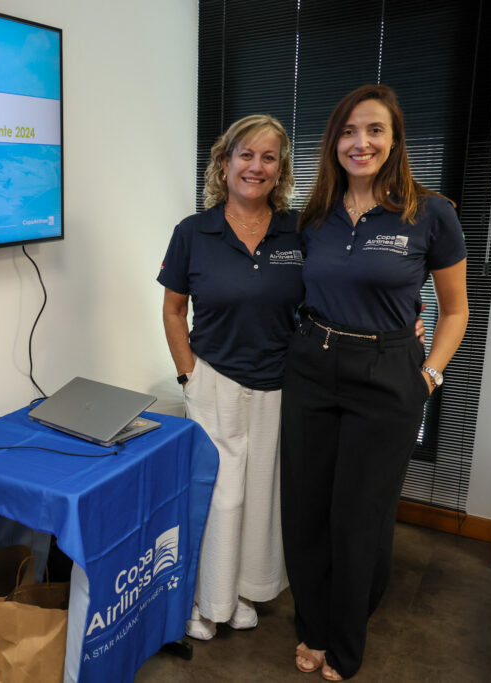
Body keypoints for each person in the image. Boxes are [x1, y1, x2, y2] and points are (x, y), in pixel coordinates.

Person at [280, 84, 468, 680]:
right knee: (306, 510)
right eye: (349, 132)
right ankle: (311, 626)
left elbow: (457, 309)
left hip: (388, 375)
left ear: (394, 139)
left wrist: (429, 374)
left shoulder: (430, 213)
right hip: (313, 364)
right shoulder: (314, 216)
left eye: (375, 130)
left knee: (360, 516)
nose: (361, 142)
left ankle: (346, 640)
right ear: (333, 142)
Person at [157, 114, 301, 640]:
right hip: (214, 378)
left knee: (261, 495)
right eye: (246, 154)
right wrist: (188, 375)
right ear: (224, 161)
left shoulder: (298, 230)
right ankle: (205, 600)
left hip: (280, 383)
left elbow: (333, 294)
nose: (256, 166)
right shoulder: (194, 232)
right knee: (220, 494)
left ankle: (242, 594)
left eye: (268, 157)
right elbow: (173, 311)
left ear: (280, 168)